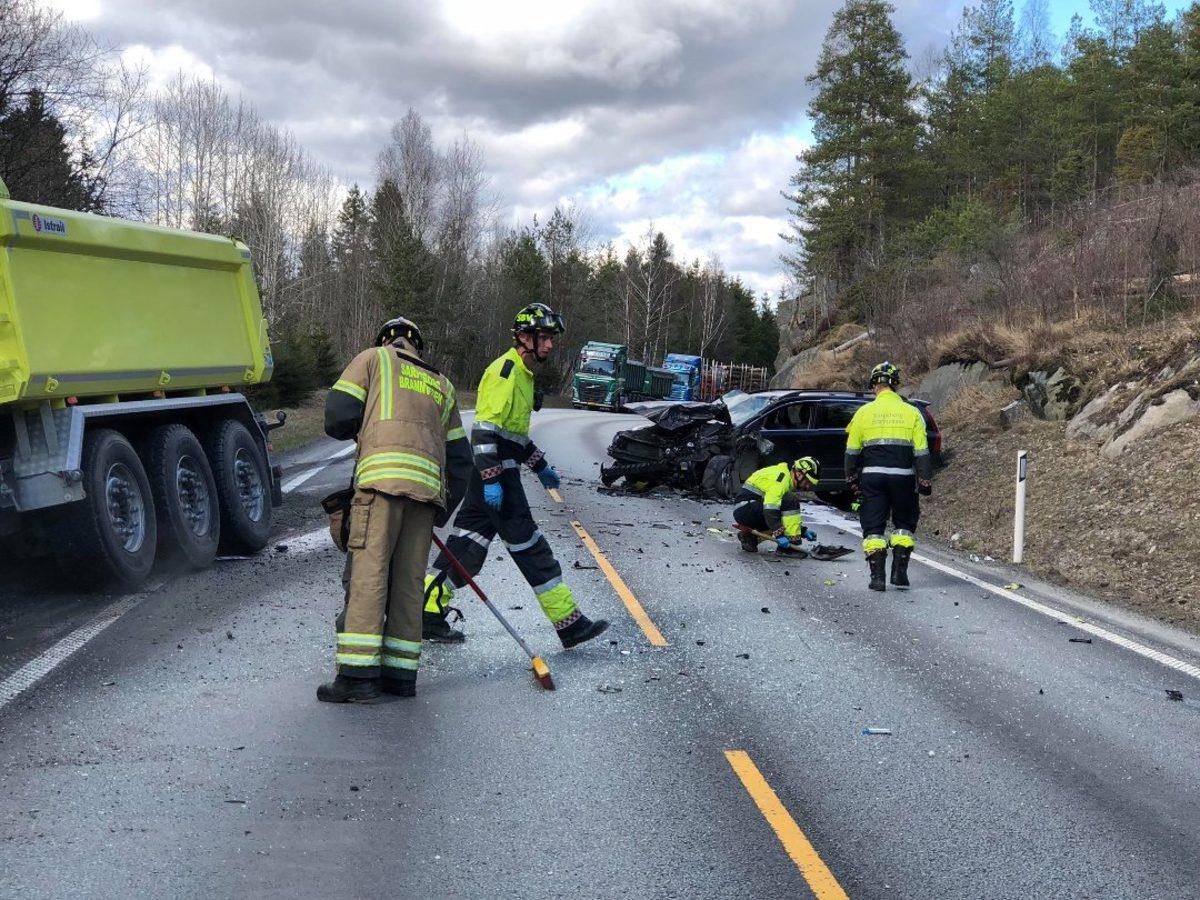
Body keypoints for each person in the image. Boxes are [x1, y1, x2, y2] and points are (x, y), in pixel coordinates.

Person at [424, 302, 609, 649]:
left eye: (552, 338)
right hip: (498, 479)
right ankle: (569, 624)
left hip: (493, 477)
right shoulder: (505, 372)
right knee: (531, 548)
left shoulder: (523, 375)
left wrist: (540, 466)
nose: (551, 345)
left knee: (465, 549)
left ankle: (426, 613)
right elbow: (483, 432)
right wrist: (494, 480)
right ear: (525, 337)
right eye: (546, 338)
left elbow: (514, 437)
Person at [317, 316, 472, 703]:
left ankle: (357, 676)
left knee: (369, 575)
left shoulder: (373, 360)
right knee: (407, 584)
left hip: (380, 489)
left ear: (386, 340)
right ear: (417, 346)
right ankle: (401, 677)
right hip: (425, 498)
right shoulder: (443, 384)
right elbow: (461, 463)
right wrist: (440, 511)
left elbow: (337, 416)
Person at [844, 362, 932, 592]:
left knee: (873, 527)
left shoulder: (863, 413)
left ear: (875, 385)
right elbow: (922, 451)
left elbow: (851, 452)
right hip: (903, 478)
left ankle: (877, 577)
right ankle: (899, 574)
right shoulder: (913, 412)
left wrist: (851, 479)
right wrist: (924, 480)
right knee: (904, 525)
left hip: (872, 478)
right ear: (895, 386)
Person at [733, 457, 820, 554]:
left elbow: (786, 519)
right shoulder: (781, 479)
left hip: (746, 508)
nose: (807, 486)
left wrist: (802, 531)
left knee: (783, 510)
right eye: (807, 482)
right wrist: (780, 536)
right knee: (789, 500)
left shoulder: (784, 477)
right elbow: (770, 510)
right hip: (745, 509)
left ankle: (751, 538)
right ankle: (788, 547)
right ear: (799, 474)